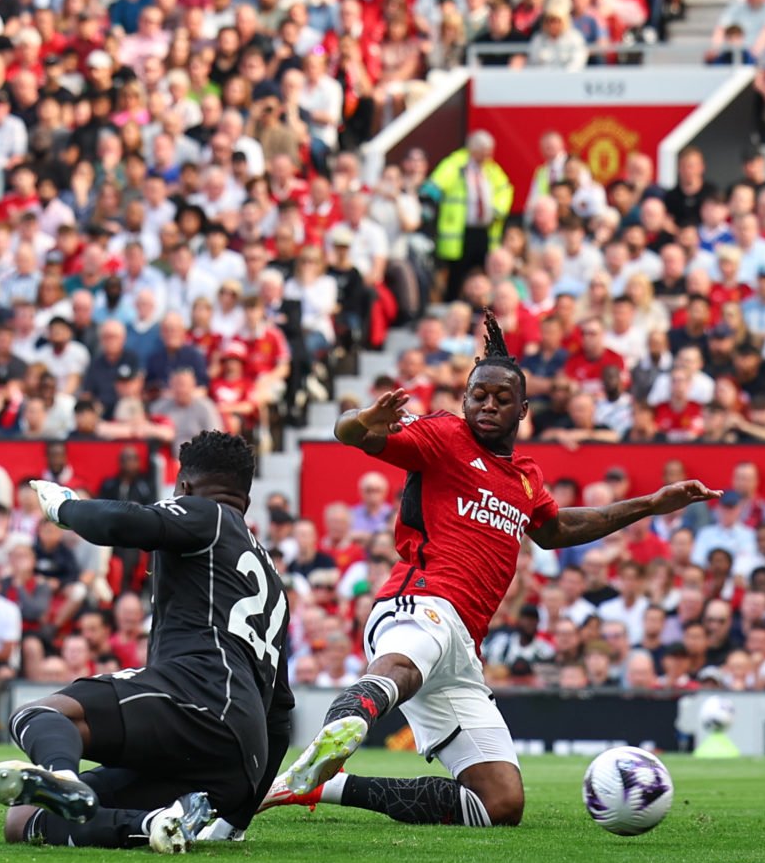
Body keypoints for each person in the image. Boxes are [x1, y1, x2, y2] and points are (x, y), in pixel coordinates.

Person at [270, 310, 717, 827]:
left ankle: (315, 786)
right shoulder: (442, 434)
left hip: (464, 650)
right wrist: (366, 417)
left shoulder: (525, 478)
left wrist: (649, 504)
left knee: (499, 804)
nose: (488, 405)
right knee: (406, 663)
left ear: (523, 409)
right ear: (464, 400)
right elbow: (349, 433)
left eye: (502, 398)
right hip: (420, 601)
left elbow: (557, 531)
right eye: (479, 395)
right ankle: (348, 721)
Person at [0, 431, 293, 854]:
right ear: (247, 501)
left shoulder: (208, 516)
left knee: (37, 714)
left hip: (197, 699)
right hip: (237, 763)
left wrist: (65, 508)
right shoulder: (272, 580)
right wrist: (239, 815)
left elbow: (120, 521)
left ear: (184, 488)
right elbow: (280, 714)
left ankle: (62, 779)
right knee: (22, 820)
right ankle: (152, 824)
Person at [425, 131, 513, 302]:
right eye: (483, 151)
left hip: (485, 229)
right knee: (458, 272)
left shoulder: (491, 169)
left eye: (489, 151)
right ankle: (453, 302)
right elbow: (434, 186)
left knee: (485, 270)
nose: (487, 155)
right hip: (461, 230)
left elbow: (505, 189)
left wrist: (497, 209)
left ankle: (485, 305)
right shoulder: (456, 165)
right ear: (473, 149)